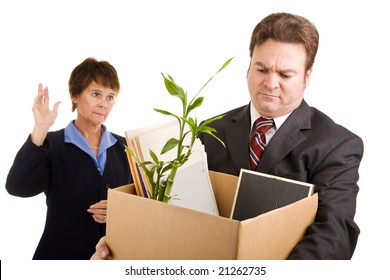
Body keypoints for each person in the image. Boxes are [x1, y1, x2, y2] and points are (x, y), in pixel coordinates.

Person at [91, 12, 364, 260]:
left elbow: (335, 232)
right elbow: (174, 212)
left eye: (285, 74)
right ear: (248, 68)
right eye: (261, 69)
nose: (270, 83)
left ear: (307, 76)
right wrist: (123, 242)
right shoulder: (210, 131)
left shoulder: (337, 145)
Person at [6, 57, 132, 260]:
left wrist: (120, 211)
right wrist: (40, 129)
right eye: (96, 94)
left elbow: (142, 201)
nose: (103, 104)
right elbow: (18, 187)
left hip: (111, 259)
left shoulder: (125, 147)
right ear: (75, 96)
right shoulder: (52, 144)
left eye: (110, 97)